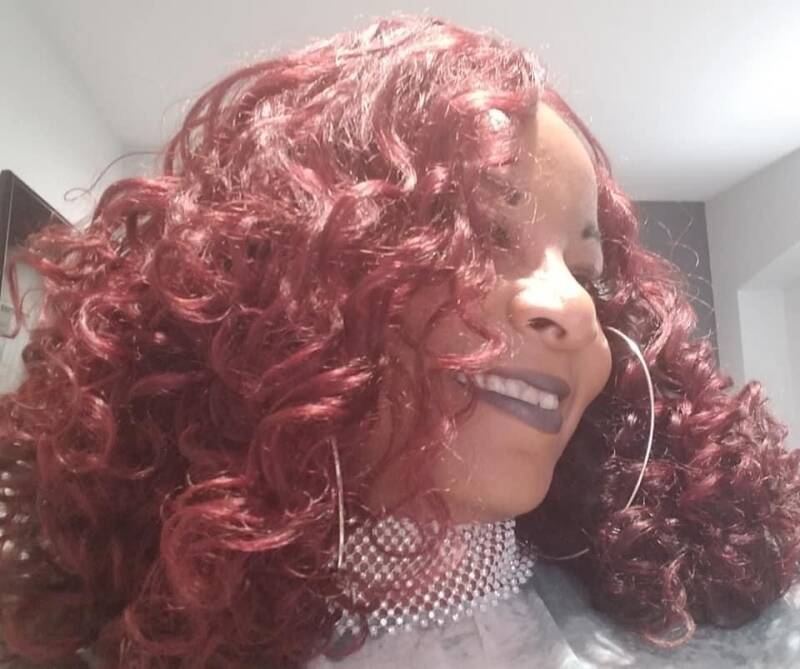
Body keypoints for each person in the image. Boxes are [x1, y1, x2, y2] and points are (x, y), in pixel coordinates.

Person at [1, 14, 798, 669]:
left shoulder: (740, 642)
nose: (573, 307)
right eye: (481, 236)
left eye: (587, 274)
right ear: (280, 292)